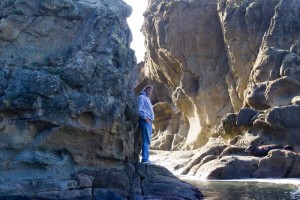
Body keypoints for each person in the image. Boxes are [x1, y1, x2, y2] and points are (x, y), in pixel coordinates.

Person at [138, 85, 154, 165]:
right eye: (149, 91)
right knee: (146, 140)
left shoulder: (147, 98)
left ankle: (146, 158)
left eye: (151, 91)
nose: (150, 93)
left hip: (148, 122)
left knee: (147, 140)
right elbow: (140, 110)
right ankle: (145, 159)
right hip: (145, 121)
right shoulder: (142, 97)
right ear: (146, 90)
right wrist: (146, 118)